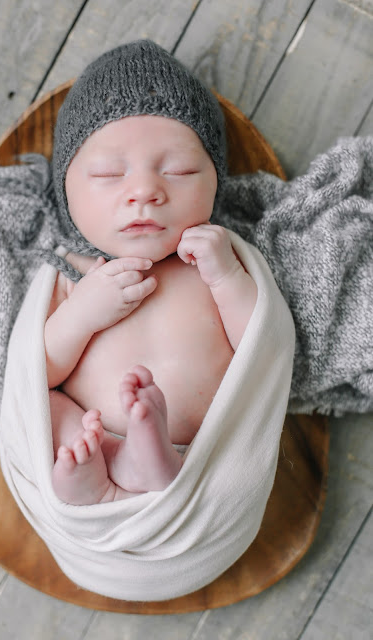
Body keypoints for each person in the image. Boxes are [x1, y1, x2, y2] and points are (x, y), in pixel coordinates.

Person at [43, 40, 257, 505]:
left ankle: (147, 467)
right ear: (65, 191)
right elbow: (36, 370)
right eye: (107, 174)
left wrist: (227, 279)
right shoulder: (70, 271)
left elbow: (262, 346)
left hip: (208, 452)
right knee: (46, 408)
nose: (144, 190)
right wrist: (82, 314)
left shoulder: (213, 258)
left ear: (216, 180)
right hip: (93, 442)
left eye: (178, 171)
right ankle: (92, 481)